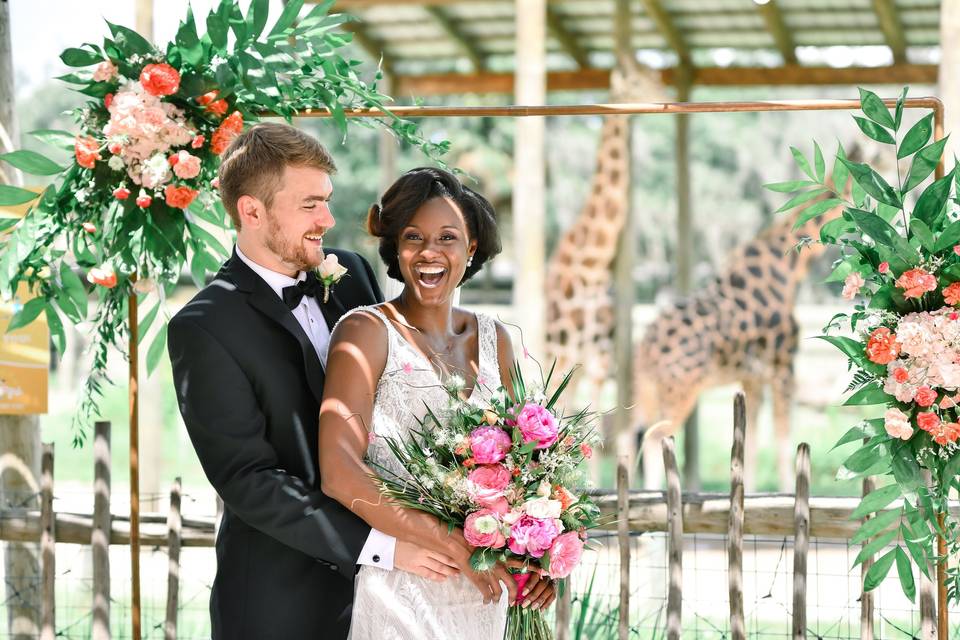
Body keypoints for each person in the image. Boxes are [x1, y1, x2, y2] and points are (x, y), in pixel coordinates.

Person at [168, 124, 457, 639]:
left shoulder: (349, 272)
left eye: (327, 200)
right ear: (251, 211)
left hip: (400, 599)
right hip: (282, 604)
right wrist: (385, 546)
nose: (328, 219)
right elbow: (249, 479)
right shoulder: (203, 326)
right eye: (309, 205)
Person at [318, 167, 556, 639]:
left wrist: (540, 555)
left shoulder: (496, 340)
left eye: (448, 237)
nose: (429, 252)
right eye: (414, 236)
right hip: (403, 586)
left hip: (488, 593)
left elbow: (532, 468)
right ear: (395, 248)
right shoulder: (365, 331)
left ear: (471, 250)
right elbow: (339, 472)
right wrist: (455, 545)